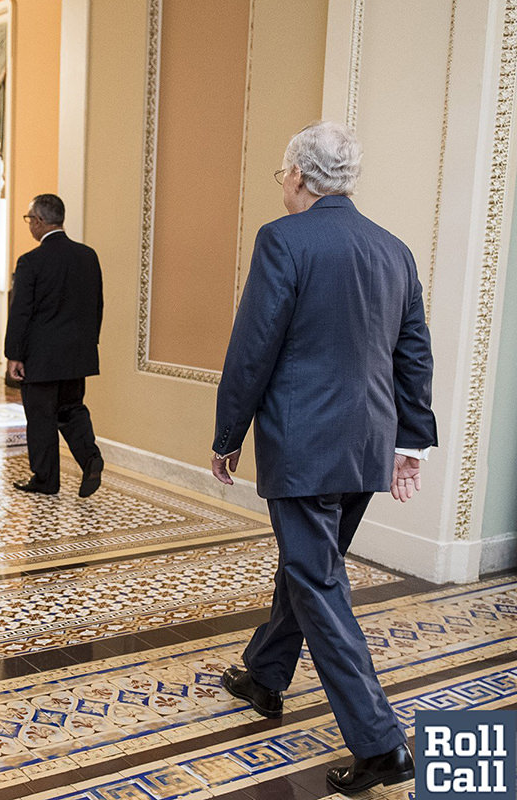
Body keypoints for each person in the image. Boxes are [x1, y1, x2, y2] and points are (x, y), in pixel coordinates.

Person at [210, 121, 437, 794]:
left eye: (282, 173)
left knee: (317, 580)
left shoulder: (283, 239)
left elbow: (255, 347)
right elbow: (413, 354)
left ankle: (380, 744)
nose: (281, 183)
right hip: (366, 444)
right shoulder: (393, 250)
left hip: (304, 445)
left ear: (302, 178)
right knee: (312, 567)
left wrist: (228, 434)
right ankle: (264, 674)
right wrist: (411, 441)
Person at [4, 193, 104, 497]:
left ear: (38, 221)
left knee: (41, 417)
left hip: (41, 358)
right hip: (77, 355)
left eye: (29, 220)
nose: (29, 226)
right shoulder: (88, 256)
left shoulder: (31, 261)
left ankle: (46, 480)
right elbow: (97, 305)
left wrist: (13, 355)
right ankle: (91, 458)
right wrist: (88, 345)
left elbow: (21, 311)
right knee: (72, 409)